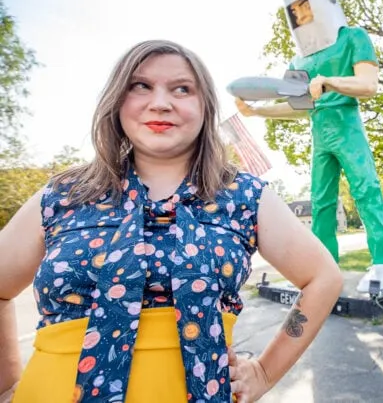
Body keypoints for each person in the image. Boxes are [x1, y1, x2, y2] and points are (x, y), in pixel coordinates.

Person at [0, 39, 343, 403]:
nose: (160, 102)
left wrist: (263, 372)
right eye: (140, 86)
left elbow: (324, 277)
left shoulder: (245, 196)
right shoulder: (64, 194)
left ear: (204, 107)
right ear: (118, 100)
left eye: (182, 88)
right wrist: (6, 386)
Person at [235, 0, 383, 294]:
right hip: (320, 135)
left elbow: (369, 85)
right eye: (295, 10)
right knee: (321, 202)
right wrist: (256, 111)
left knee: (366, 190)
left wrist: (329, 82)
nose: (302, 14)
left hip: (348, 128)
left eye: (306, 5)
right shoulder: (299, 63)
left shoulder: (353, 38)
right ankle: (325, 268)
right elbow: (296, 106)